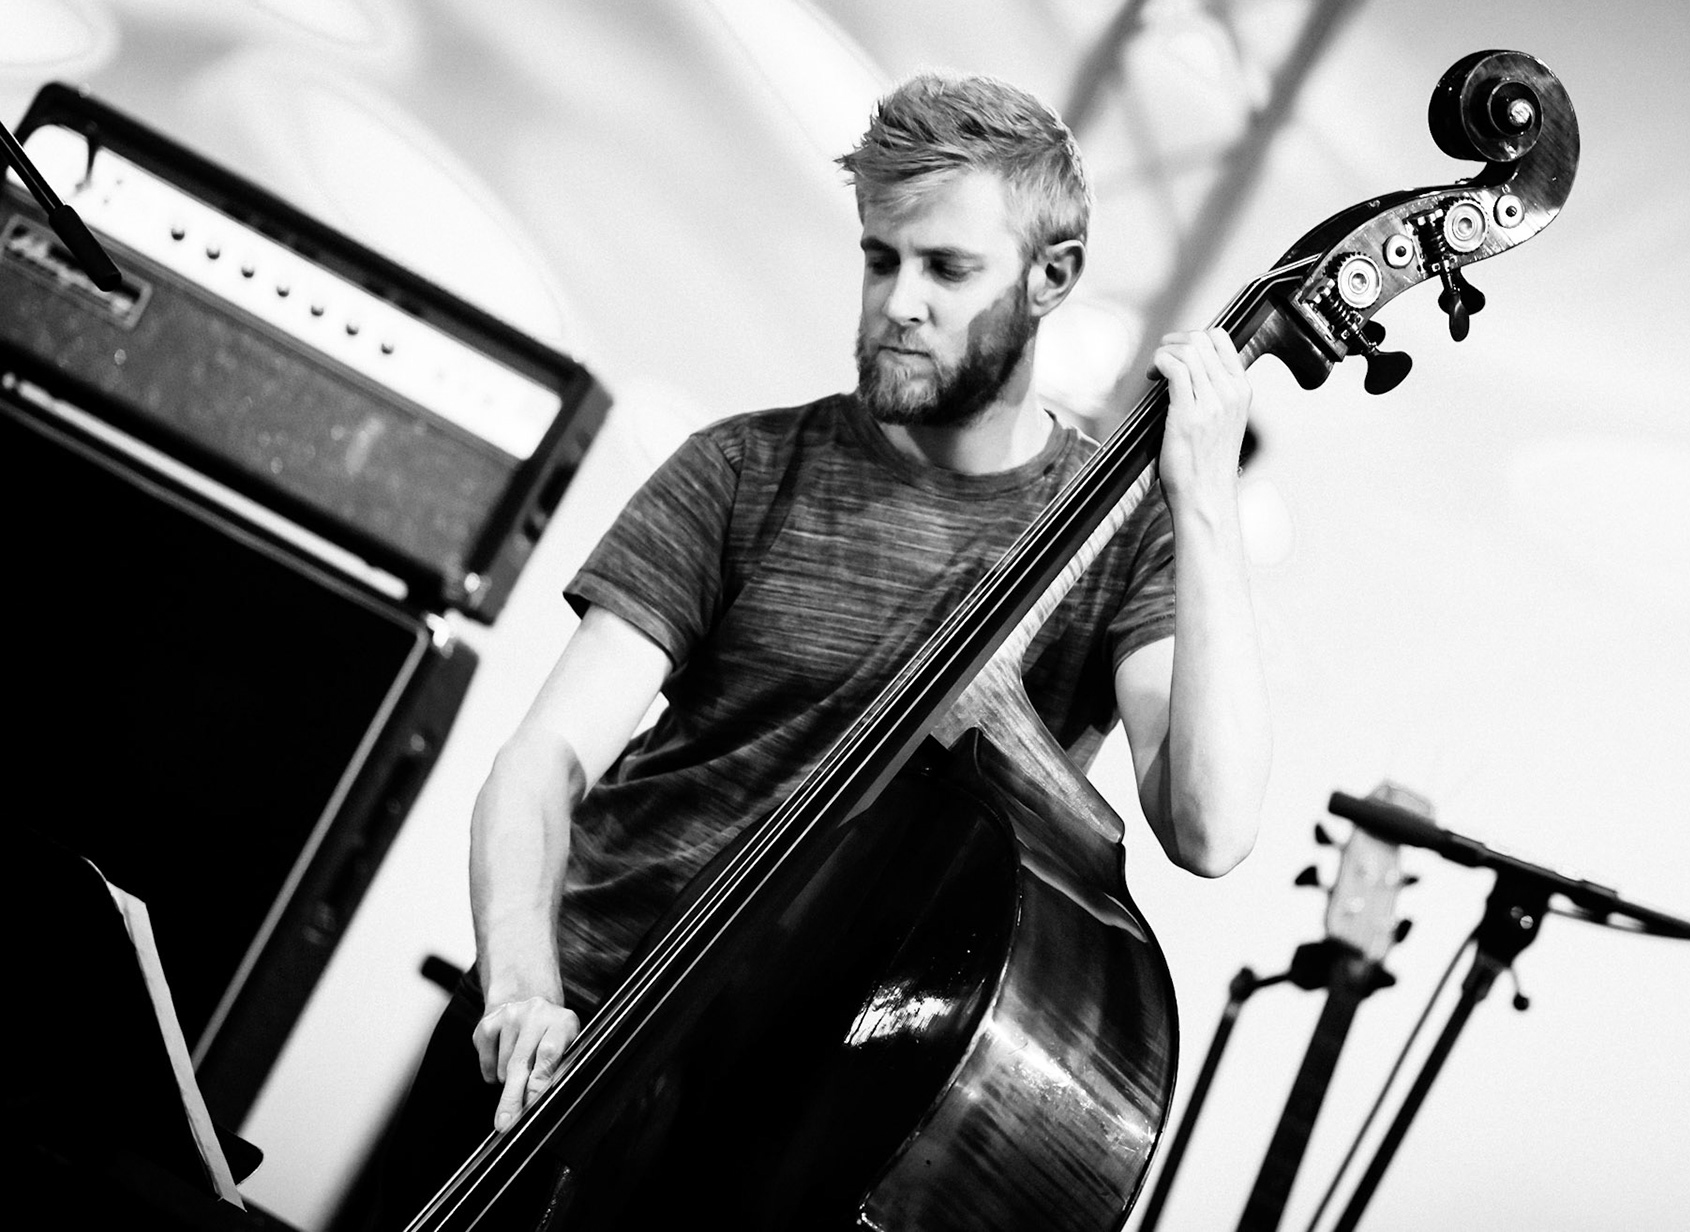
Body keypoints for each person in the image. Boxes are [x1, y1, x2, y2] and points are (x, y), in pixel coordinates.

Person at [372, 69, 1271, 1226]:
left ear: (1053, 279)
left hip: (786, 1109)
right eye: (879, 257)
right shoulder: (743, 467)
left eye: (948, 268)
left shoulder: (1122, 533)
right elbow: (542, 759)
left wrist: (1201, 503)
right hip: (559, 1045)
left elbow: (1211, 824)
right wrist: (519, 986)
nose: (899, 300)